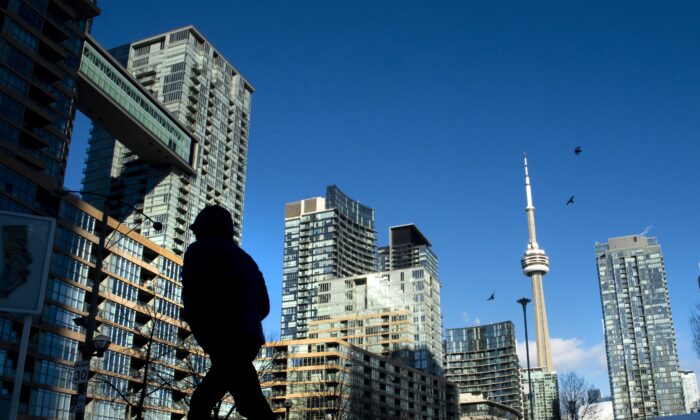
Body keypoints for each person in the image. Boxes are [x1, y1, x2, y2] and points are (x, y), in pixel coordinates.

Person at [182, 205, 274, 419]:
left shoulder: (198, 251)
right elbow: (265, 305)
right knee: (248, 399)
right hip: (248, 338)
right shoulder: (248, 260)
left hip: (222, 338)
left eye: (197, 229)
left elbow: (194, 295)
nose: (194, 233)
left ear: (205, 228)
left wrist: (205, 326)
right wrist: (245, 320)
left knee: (202, 402)